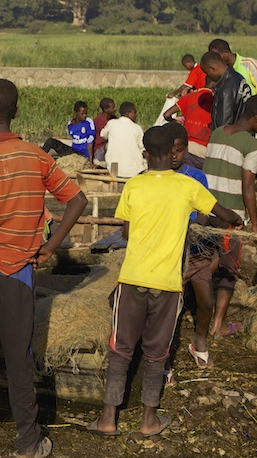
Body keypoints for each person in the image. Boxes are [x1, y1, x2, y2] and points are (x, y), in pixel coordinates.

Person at [0, 78, 88, 458]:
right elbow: (76, 199)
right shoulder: (36, 157)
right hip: (18, 270)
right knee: (19, 354)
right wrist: (50, 245)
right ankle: (28, 442)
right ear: (15, 113)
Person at [86, 126, 241, 437]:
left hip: (132, 279)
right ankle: (148, 421)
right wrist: (235, 221)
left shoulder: (134, 186)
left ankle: (107, 419)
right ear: (174, 152)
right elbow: (223, 214)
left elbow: (127, 234)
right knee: (157, 352)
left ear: (145, 153)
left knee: (121, 349)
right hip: (168, 285)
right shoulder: (188, 186)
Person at [203, 95, 257, 337]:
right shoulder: (253, 146)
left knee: (203, 258)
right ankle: (218, 325)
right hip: (229, 214)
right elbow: (248, 188)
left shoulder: (218, 132)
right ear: (256, 119)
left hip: (205, 209)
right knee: (228, 269)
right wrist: (254, 223)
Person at [168, 122, 229, 369]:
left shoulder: (196, 176)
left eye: (179, 151)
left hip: (197, 251)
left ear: (186, 149)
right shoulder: (160, 179)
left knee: (205, 301)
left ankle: (199, 340)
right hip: (172, 254)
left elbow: (203, 213)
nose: (174, 156)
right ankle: (163, 355)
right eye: (170, 151)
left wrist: (205, 238)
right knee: (171, 306)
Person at [163, 87, 214, 169]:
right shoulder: (216, 100)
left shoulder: (188, 97)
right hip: (205, 150)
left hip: (187, 146)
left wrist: (177, 123)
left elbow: (167, 115)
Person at [199, 51, 251, 131]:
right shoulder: (238, 77)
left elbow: (224, 125)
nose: (207, 76)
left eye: (207, 73)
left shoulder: (226, 89)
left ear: (212, 69)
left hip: (231, 139)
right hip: (243, 133)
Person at [100, 102, 146, 177]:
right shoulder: (136, 128)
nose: (136, 115)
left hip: (114, 168)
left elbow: (103, 135)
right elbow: (143, 147)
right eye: (134, 112)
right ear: (128, 113)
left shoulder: (111, 123)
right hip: (133, 171)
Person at [92, 97, 118, 164]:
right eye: (112, 108)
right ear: (105, 110)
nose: (115, 109)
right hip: (100, 150)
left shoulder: (113, 118)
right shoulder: (101, 121)